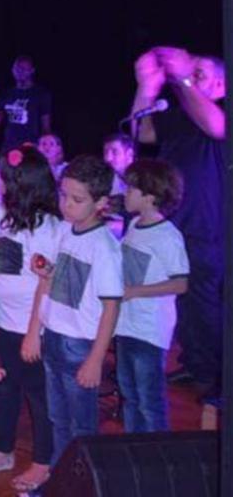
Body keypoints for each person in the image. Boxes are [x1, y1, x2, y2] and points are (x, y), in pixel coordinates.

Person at [133, 47, 224, 399]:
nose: (189, 77)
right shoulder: (182, 111)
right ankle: (195, 362)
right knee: (180, 299)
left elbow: (216, 128)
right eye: (191, 72)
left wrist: (184, 78)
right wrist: (147, 87)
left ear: (220, 84)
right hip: (173, 222)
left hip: (207, 227)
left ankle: (216, 377)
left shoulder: (216, 112)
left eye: (200, 73)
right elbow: (142, 133)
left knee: (204, 302)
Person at [22, 155, 122, 465]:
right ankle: (59, 477)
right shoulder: (66, 230)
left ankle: (82, 483)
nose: (66, 204)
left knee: (81, 427)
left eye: (77, 199)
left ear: (101, 202)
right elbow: (51, 283)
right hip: (53, 335)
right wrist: (34, 332)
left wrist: (95, 360)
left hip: (79, 345)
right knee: (57, 418)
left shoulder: (104, 246)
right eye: (63, 195)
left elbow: (111, 307)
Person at [0, 146, 60, 493]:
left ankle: (43, 463)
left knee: (39, 399)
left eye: (4, 181)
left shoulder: (49, 229)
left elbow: (46, 283)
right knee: (5, 389)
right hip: (5, 322)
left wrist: (33, 333)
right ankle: (4, 450)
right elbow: (2, 268)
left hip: (31, 328)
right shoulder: (11, 221)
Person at [116, 159, 188, 433]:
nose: (126, 193)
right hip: (126, 325)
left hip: (149, 329)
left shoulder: (168, 237)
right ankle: (134, 450)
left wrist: (136, 291)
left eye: (131, 188)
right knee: (130, 396)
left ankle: (157, 457)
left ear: (150, 196)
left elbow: (180, 283)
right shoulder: (134, 225)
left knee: (149, 401)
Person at [0, 56, 53, 153]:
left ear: (32, 70)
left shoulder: (41, 93)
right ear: (12, 70)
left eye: (24, 69)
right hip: (9, 147)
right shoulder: (7, 93)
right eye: (17, 68)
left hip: (31, 148)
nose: (20, 71)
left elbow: (46, 127)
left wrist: (45, 149)